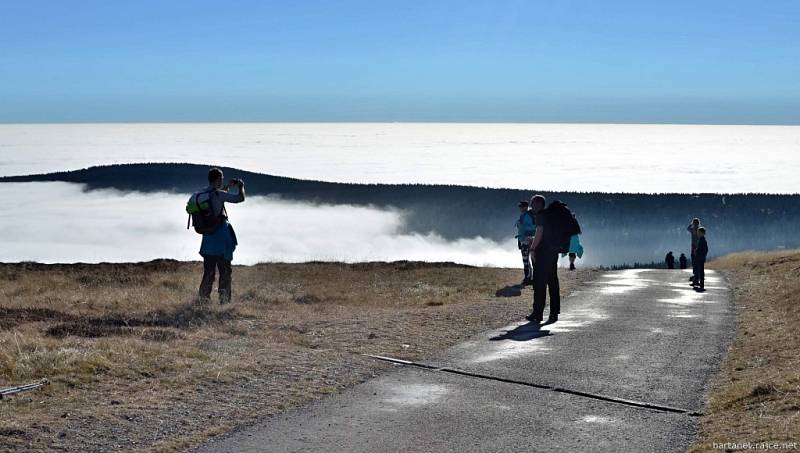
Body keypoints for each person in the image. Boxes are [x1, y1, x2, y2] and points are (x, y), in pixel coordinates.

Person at [197, 168, 246, 304]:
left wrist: (226, 187)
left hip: (207, 241)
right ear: (218, 179)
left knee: (208, 273)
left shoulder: (202, 193)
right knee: (224, 273)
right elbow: (239, 199)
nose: (222, 180)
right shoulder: (218, 194)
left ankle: (203, 301)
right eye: (221, 178)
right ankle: (224, 302)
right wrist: (241, 187)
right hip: (221, 241)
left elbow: (217, 198)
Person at [527, 195, 560, 324]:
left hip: (543, 254)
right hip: (553, 253)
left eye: (533, 203)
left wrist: (533, 248)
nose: (531, 206)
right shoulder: (551, 216)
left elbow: (540, 232)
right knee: (553, 283)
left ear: (539, 204)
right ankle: (554, 313)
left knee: (539, 284)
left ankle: (537, 313)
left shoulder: (540, 215)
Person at [515, 201, 536, 285]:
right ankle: (530, 277)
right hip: (524, 239)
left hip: (527, 240)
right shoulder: (526, 215)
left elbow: (532, 227)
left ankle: (528, 278)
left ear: (526, 207)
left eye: (522, 206)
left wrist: (528, 236)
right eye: (520, 206)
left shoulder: (527, 216)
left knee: (526, 259)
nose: (520, 208)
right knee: (529, 259)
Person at [687, 218, 701, 284]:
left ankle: (696, 274)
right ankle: (697, 274)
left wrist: (691, 224)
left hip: (694, 246)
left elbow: (688, 228)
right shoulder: (700, 229)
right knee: (698, 260)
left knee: (694, 260)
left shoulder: (692, 229)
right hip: (699, 246)